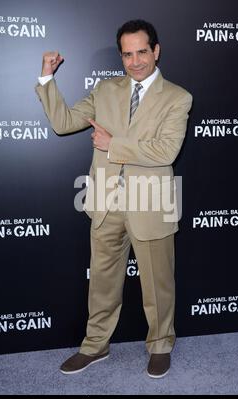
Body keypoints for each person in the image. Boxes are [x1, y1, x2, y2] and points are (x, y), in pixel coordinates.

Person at [35, 19, 192, 378]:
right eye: (127, 54)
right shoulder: (105, 90)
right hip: (106, 204)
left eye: (141, 52)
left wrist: (113, 145)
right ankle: (95, 345)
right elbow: (64, 122)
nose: (135, 61)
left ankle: (160, 344)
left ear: (156, 51)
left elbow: (165, 151)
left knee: (158, 283)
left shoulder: (178, 97)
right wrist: (47, 79)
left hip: (152, 203)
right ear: (121, 56)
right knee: (103, 282)